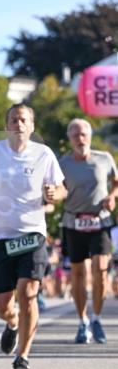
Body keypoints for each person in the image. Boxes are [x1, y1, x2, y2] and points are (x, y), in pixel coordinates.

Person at [0, 104, 66, 369]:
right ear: (7, 124)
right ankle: (11, 323)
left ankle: (22, 356)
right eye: (14, 119)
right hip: (0, 235)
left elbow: (61, 189)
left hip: (32, 233)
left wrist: (53, 194)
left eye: (24, 120)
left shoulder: (43, 154)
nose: (19, 124)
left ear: (32, 126)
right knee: (3, 305)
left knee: (28, 293)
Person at [59, 118, 117, 344]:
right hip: (74, 222)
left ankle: (97, 318)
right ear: (70, 139)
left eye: (83, 134)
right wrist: (54, 194)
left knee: (100, 271)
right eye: (75, 135)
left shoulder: (104, 159)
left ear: (90, 136)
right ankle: (82, 320)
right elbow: (59, 188)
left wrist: (112, 197)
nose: (80, 139)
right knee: (78, 274)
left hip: (99, 221)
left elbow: (116, 181)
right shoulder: (62, 163)